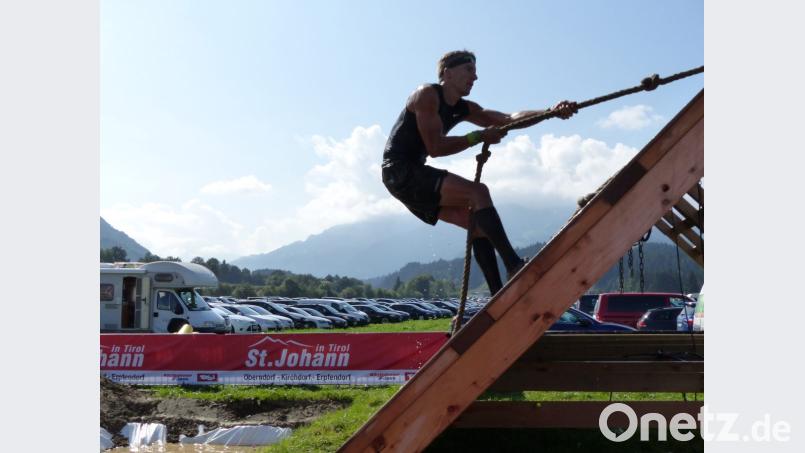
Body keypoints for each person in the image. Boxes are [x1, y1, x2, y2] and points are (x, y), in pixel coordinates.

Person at [381, 50, 577, 295]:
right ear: (447, 73)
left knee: (477, 225)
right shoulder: (427, 95)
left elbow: (508, 119)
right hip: (400, 171)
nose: (475, 77)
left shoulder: (464, 108)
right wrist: (478, 136)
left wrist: (550, 112)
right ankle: (514, 265)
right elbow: (435, 147)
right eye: (469, 70)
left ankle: (497, 294)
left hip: (406, 176)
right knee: (478, 193)